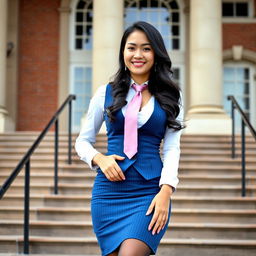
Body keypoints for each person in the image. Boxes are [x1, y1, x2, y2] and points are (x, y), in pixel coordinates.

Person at [75, 21, 185, 256]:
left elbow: (172, 148)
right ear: (123, 52)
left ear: (156, 53)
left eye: (146, 48)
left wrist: (166, 192)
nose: (138, 55)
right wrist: (99, 159)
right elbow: (82, 141)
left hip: (150, 191)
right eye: (131, 47)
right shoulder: (105, 93)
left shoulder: (172, 96)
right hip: (109, 191)